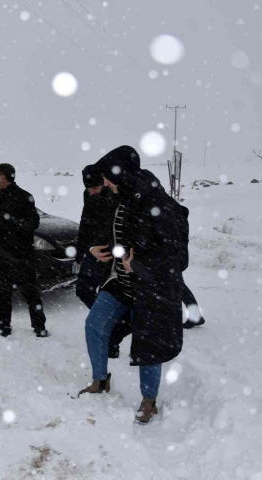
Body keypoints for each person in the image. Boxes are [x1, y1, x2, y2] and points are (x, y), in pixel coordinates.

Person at [78, 145, 184, 424]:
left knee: (149, 344)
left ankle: (149, 400)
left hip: (151, 289)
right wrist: (92, 249)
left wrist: (138, 265)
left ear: (122, 175)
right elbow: (104, 229)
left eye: (109, 178)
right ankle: (100, 381)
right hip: (121, 284)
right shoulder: (120, 198)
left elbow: (177, 254)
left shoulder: (158, 203)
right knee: (94, 325)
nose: (106, 184)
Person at [0, 163, 48, 338]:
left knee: (30, 292)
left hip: (22, 254)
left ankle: (39, 327)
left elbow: (33, 223)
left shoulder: (25, 197)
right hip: (1, 254)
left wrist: (10, 224)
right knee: (3, 292)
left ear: (3, 177)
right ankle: (4, 328)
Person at [75, 164, 115, 309]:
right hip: (93, 249)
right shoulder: (89, 194)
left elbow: (111, 226)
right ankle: (104, 317)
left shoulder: (113, 195)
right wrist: (80, 252)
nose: (92, 192)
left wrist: (96, 246)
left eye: (95, 188)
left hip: (108, 250)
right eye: (89, 189)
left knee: (106, 290)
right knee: (83, 290)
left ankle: (108, 320)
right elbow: (85, 223)